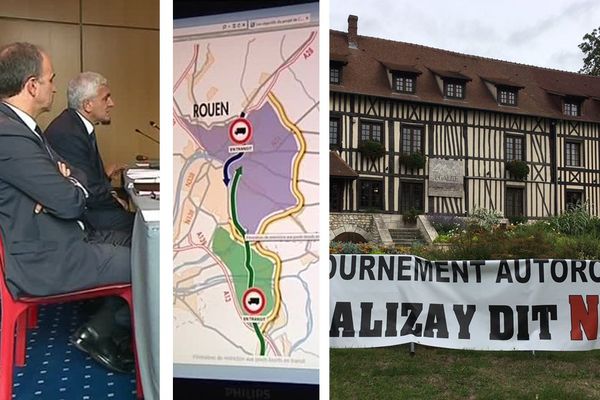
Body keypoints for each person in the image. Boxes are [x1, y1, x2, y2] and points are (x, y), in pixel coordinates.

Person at [0, 42, 133, 374]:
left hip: (60, 240)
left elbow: (74, 180)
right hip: (45, 258)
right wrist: (66, 187)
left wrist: (65, 184)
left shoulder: (24, 128)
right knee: (152, 260)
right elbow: (72, 201)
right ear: (32, 86)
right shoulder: (9, 134)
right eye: (51, 79)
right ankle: (103, 335)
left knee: (142, 241)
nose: (56, 87)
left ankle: (107, 331)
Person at [45, 72, 134, 233]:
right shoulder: (69, 133)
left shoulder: (75, 125)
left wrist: (107, 182)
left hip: (92, 209)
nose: (112, 103)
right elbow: (89, 190)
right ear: (88, 105)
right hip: (86, 218)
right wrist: (117, 203)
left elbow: (89, 179)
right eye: (106, 98)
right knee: (146, 228)